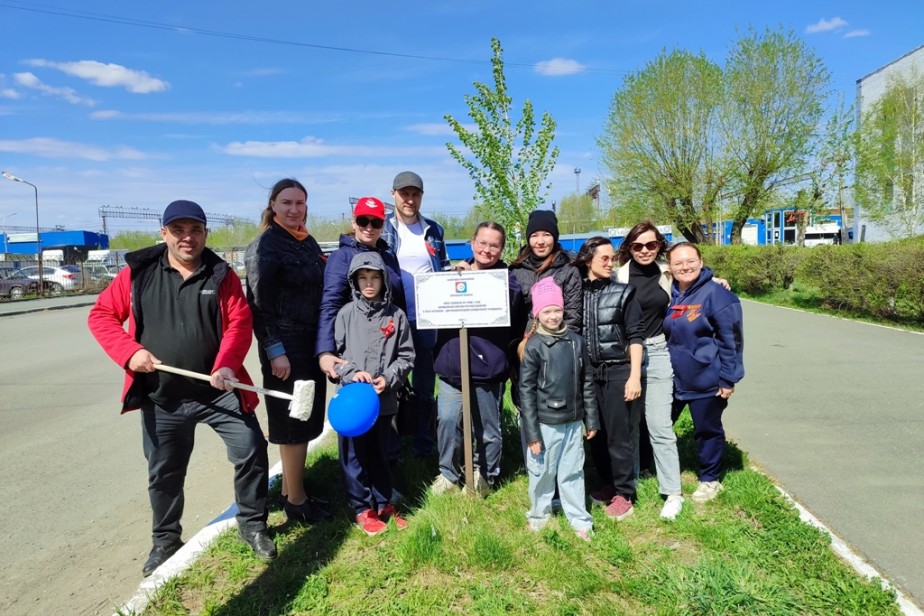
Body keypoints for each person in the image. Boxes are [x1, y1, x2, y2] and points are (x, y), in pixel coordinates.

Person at [87, 200, 275, 577]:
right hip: (163, 396)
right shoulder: (138, 274)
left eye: (195, 230)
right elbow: (102, 316)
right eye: (178, 230)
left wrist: (226, 363)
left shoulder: (221, 275)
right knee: (165, 472)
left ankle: (252, 525)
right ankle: (165, 540)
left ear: (205, 233)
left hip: (218, 391)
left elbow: (239, 323)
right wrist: (130, 352)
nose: (187, 238)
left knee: (252, 449)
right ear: (164, 234)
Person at [614, 222, 724, 519]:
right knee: (629, 425)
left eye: (651, 245)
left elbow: (693, 276)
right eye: (638, 246)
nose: (645, 250)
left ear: (659, 246)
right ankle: (630, 482)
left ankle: (672, 492)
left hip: (658, 352)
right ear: (630, 248)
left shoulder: (666, 272)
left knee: (660, 426)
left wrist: (716, 280)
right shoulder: (618, 275)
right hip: (626, 356)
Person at [245, 179, 329, 524]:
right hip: (286, 348)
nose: (294, 209)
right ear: (273, 205)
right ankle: (297, 501)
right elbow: (257, 304)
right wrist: (274, 351)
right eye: (287, 203)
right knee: (293, 420)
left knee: (304, 418)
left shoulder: (305, 240)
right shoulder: (266, 245)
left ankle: (290, 489)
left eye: (300, 203)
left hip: (309, 343)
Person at [431, 222, 522, 496]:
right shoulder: (452, 275)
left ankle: (485, 475)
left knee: (487, 428)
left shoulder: (508, 280)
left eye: (494, 245)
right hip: (452, 366)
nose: (487, 250)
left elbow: (511, 302)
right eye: (482, 243)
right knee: (447, 420)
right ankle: (448, 474)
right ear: (472, 243)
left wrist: (476, 281)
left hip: (487, 368)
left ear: (501, 249)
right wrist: (455, 278)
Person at [317, 196, 405, 462]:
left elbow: (396, 300)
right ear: (354, 222)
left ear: (383, 225)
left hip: (387, 348)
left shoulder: (387, 255)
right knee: (358, 420)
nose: (369, 227)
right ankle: (357, 479)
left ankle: (386, 476)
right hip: (355, 352)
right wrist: (325, 351)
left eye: (375, 222)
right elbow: (330, 304)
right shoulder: (341, 257)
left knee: (386, 422)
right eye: (363, 220)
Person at [333, 251, 415, 535]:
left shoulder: (397, 316)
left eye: (375, 278)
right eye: (363, 278)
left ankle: (383, 502)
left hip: (383, 400)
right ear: (354, 281)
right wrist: (351, 373)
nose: (369, 283)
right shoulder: (345, 314)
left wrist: (389, 378)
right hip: (353, 404)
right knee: (354, 456)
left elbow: (406, 356)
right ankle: (361, 507)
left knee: (381, 453)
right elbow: (335, 356)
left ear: (384, 281)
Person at [518, 278, 599, 541]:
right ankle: (538, 515)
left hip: (573, 422)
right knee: (542, 472)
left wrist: (591, 419)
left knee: (573, 471)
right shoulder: (533, 346)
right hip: (545, 424)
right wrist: (532, 434)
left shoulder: (577, 341)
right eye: (547, 311)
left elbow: (587, 382)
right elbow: (526, 392)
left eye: (557, 310)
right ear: (537, 315)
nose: (553, 316)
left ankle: (580, 520)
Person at [663, 243, 744, 503]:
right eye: (678, 263)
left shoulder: (717, 295)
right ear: (669, 267)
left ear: (701, 261)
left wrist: (728, 378)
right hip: (672, 377)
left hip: (706, 378)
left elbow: (732, 339)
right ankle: (651, 467)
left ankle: (710, 479)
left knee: (707, 430)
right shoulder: (670, 293)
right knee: (659, 424)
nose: (685, 267)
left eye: (690, 261)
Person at [573, 237, 645, 522]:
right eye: (604, 257)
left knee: (619, 435)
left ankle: (625, 494)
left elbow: (636, 336)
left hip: (617, 373)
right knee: (596, 434)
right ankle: (609, 484)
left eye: (612, 258)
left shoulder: (624, 293)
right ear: (587, 259)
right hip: (589, 375)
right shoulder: (576, 294)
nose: (610, 262)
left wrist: (634, 376)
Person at [381, 171, 450, 457]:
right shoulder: (381, 228)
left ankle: (423, 443)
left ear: (421, 197)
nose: (410, 200)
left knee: (424, 382)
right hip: (391, 317)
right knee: (391, 380)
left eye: (415, 194)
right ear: (393, 194)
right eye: (404, 194)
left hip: (427, 317)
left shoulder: (434, 229)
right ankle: (392, 447)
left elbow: (443, 266)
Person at [509, 209, 583, 338]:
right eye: (534, 235)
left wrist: (561, 345)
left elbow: (573, 317)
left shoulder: (568, 270)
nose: (540, 241)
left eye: (546, 234)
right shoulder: (516, 270)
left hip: (556, 342)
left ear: (554, 237)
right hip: (523, 344)